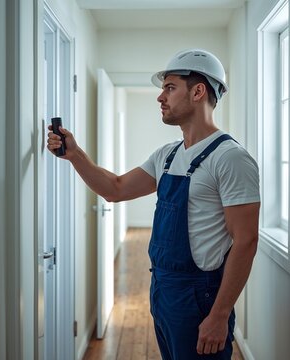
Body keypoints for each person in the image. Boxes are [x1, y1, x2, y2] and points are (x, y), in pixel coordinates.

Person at [47, 48, 260, 359]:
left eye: (170, 88)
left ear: (198, 91)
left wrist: (219, 315)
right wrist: (75, 155)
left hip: (200, 296)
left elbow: (246, 241)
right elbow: (115, 189)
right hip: (162, 287)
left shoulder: (230, 158)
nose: (161, 97)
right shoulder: (167, 155)